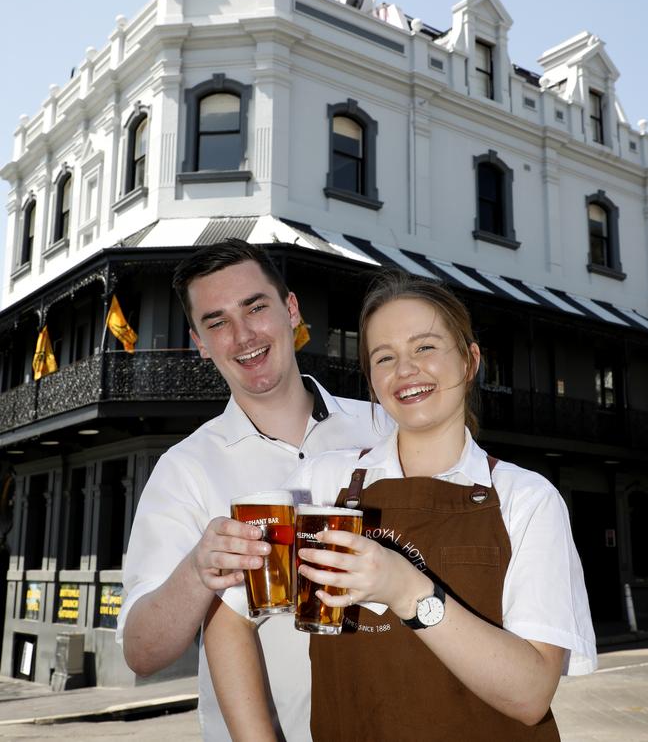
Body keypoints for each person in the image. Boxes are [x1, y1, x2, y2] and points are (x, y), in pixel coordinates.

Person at [210, 270, 596, 741]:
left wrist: (404, 588)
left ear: (471, 360)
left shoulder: (527, 500)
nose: (405, 370)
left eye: (425, 347)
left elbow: (532, 695)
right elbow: (227, 618)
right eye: (384, 357)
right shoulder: (323, 484)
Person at [116, 240, 390, 742]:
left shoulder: (384, 429)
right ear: (199, 341)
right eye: (216, 322)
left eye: (255, 307)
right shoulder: (185, 469)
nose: (243, 336)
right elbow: (141, 651)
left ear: (290, 310)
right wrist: (199, 572)